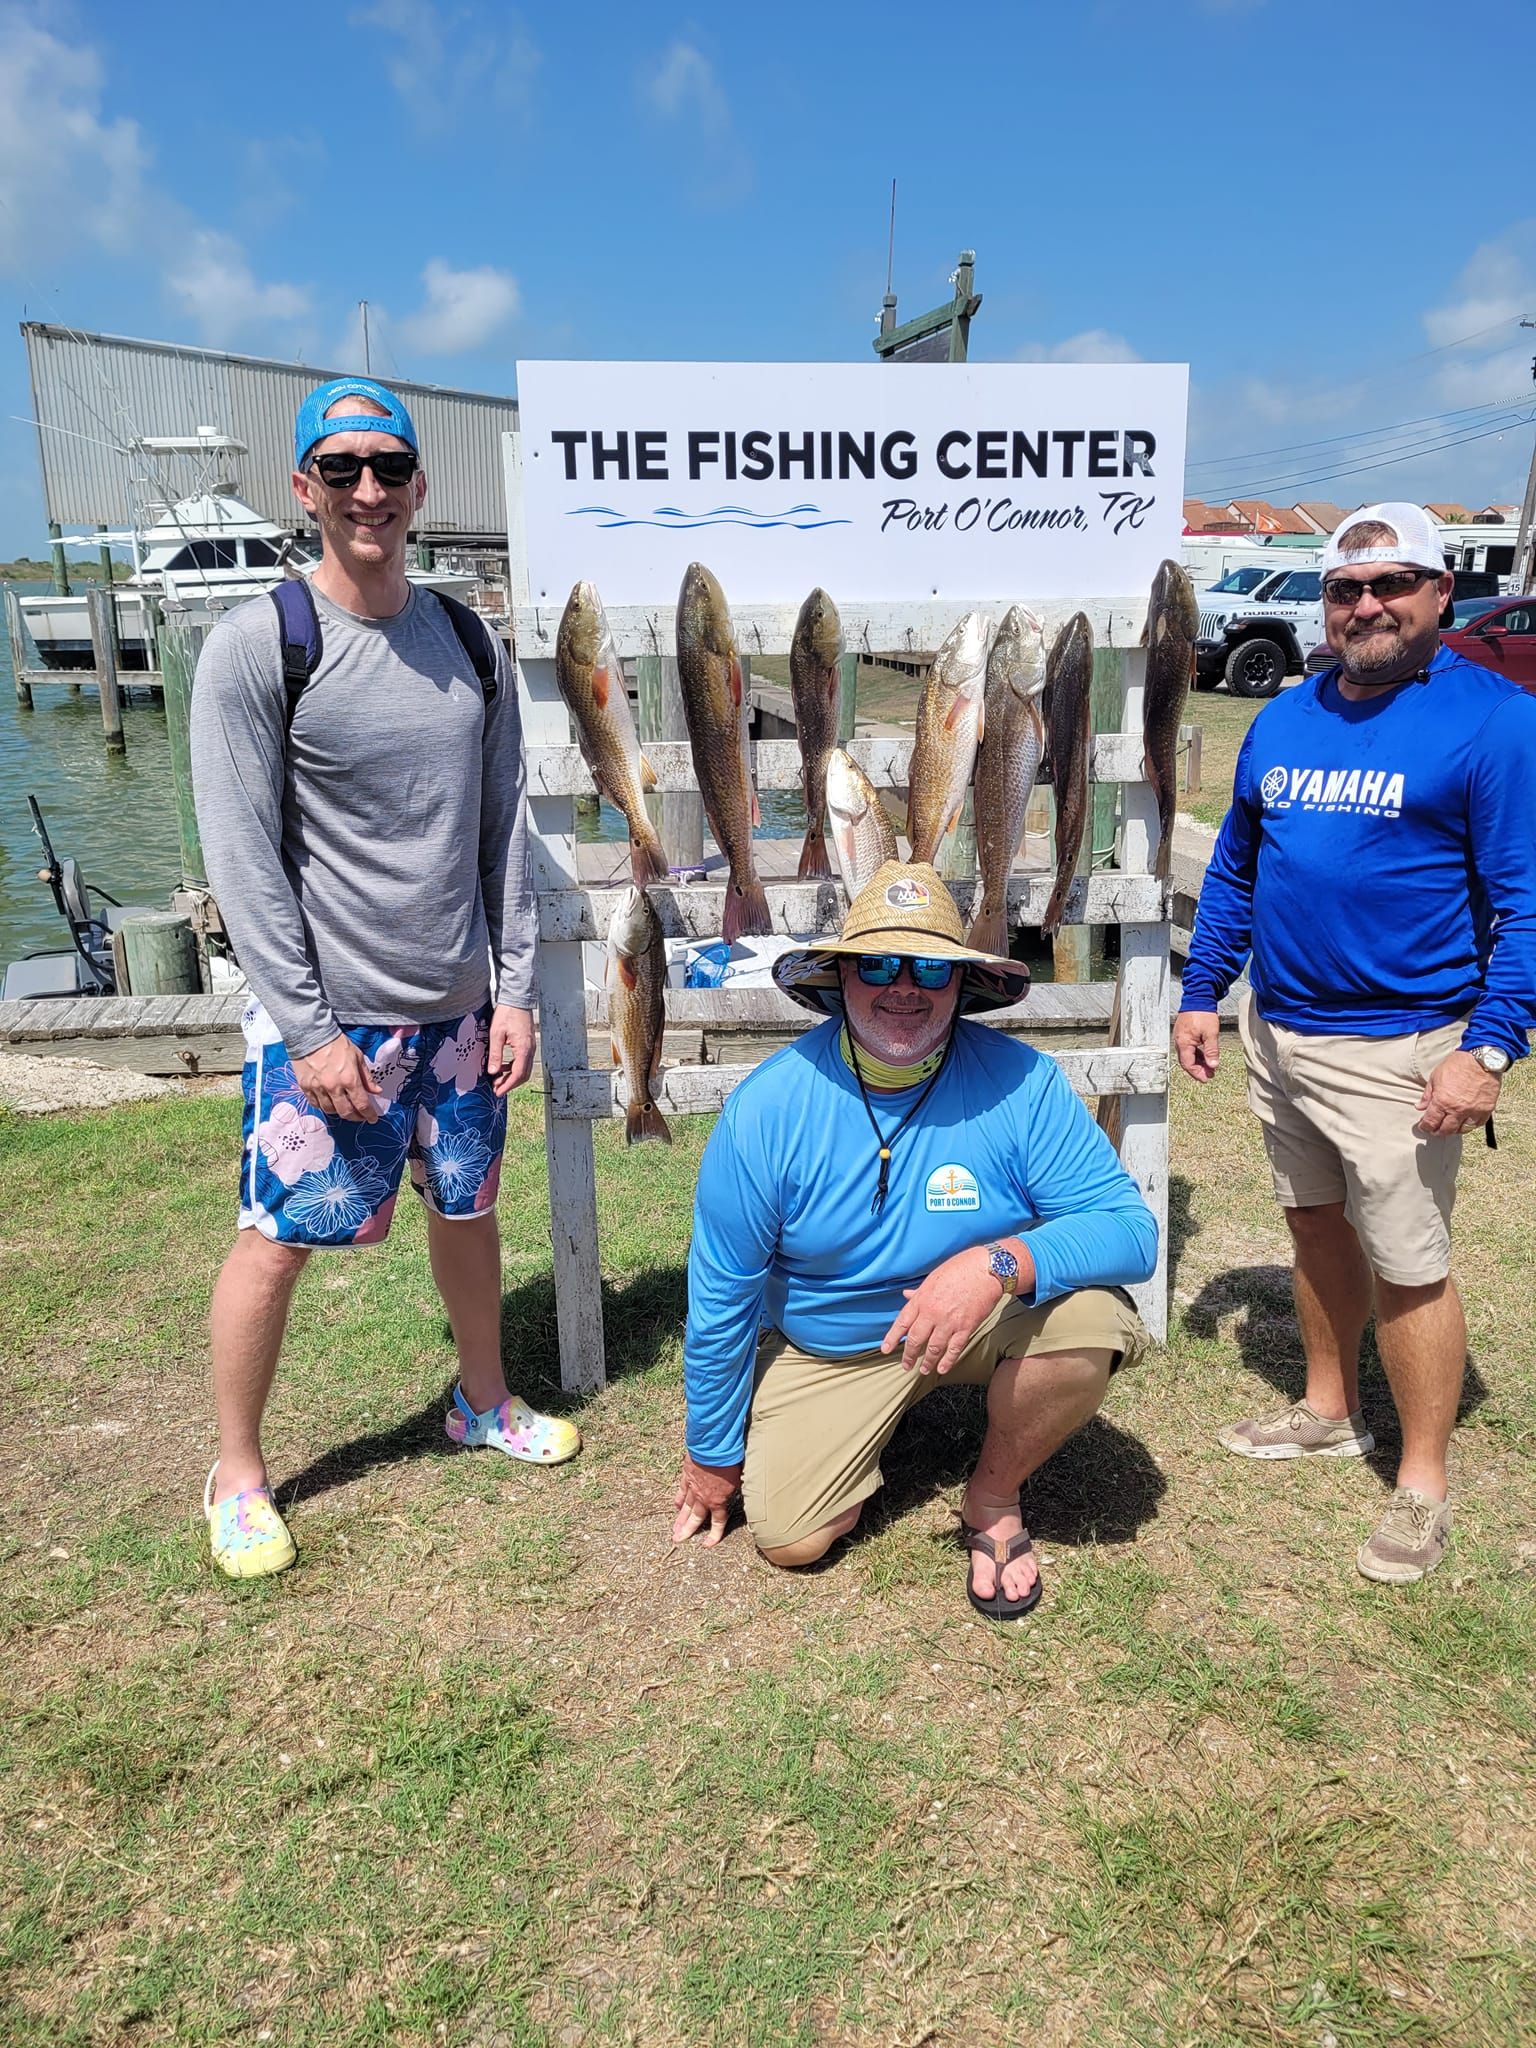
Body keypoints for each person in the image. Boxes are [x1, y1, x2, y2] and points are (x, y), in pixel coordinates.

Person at [189, 375, 579, 1580]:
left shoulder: (468, 641)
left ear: (421, 487)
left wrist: (513, 990)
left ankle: (480, 1397)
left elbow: (502, 830)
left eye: (390, 468)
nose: (370, 490)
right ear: (304, 488)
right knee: (277, 1238)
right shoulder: (261, 644)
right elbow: (243, 857)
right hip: (330, 1027)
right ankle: (238, 1470)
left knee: (469, 1212)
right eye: (344, 467)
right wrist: (306, 1030)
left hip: (459, 1012)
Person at [1176, 501, 1536, 1583]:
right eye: (1346, 589)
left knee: (1411, 1265)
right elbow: (1238, 866)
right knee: (1316, 1229)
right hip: (1281, 1028)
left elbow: (1528, 902)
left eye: (1393, 585)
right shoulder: (1285, 719)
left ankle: (1422, 1479)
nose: (1367, 605)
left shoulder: (1496, 721)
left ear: (1439, 594)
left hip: (1404, 1045)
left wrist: (1493, 1046)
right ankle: (1332, 1409)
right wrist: (1205, 988)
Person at [669, 860, 1157, 1620]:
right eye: (877, 964)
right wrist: (709, 1453)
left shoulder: (1024, 1083)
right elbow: (721, 1293)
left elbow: (1131, 1233)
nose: (905, 986)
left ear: (964, 984)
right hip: (832, 1341)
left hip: (983, 1317)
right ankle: (860, 1433)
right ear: (840, 978)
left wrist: (999, 1263)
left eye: (931, 967)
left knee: (1090, 1320)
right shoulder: (766, 1108)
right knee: (791, 1538)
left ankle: (993, 1496)